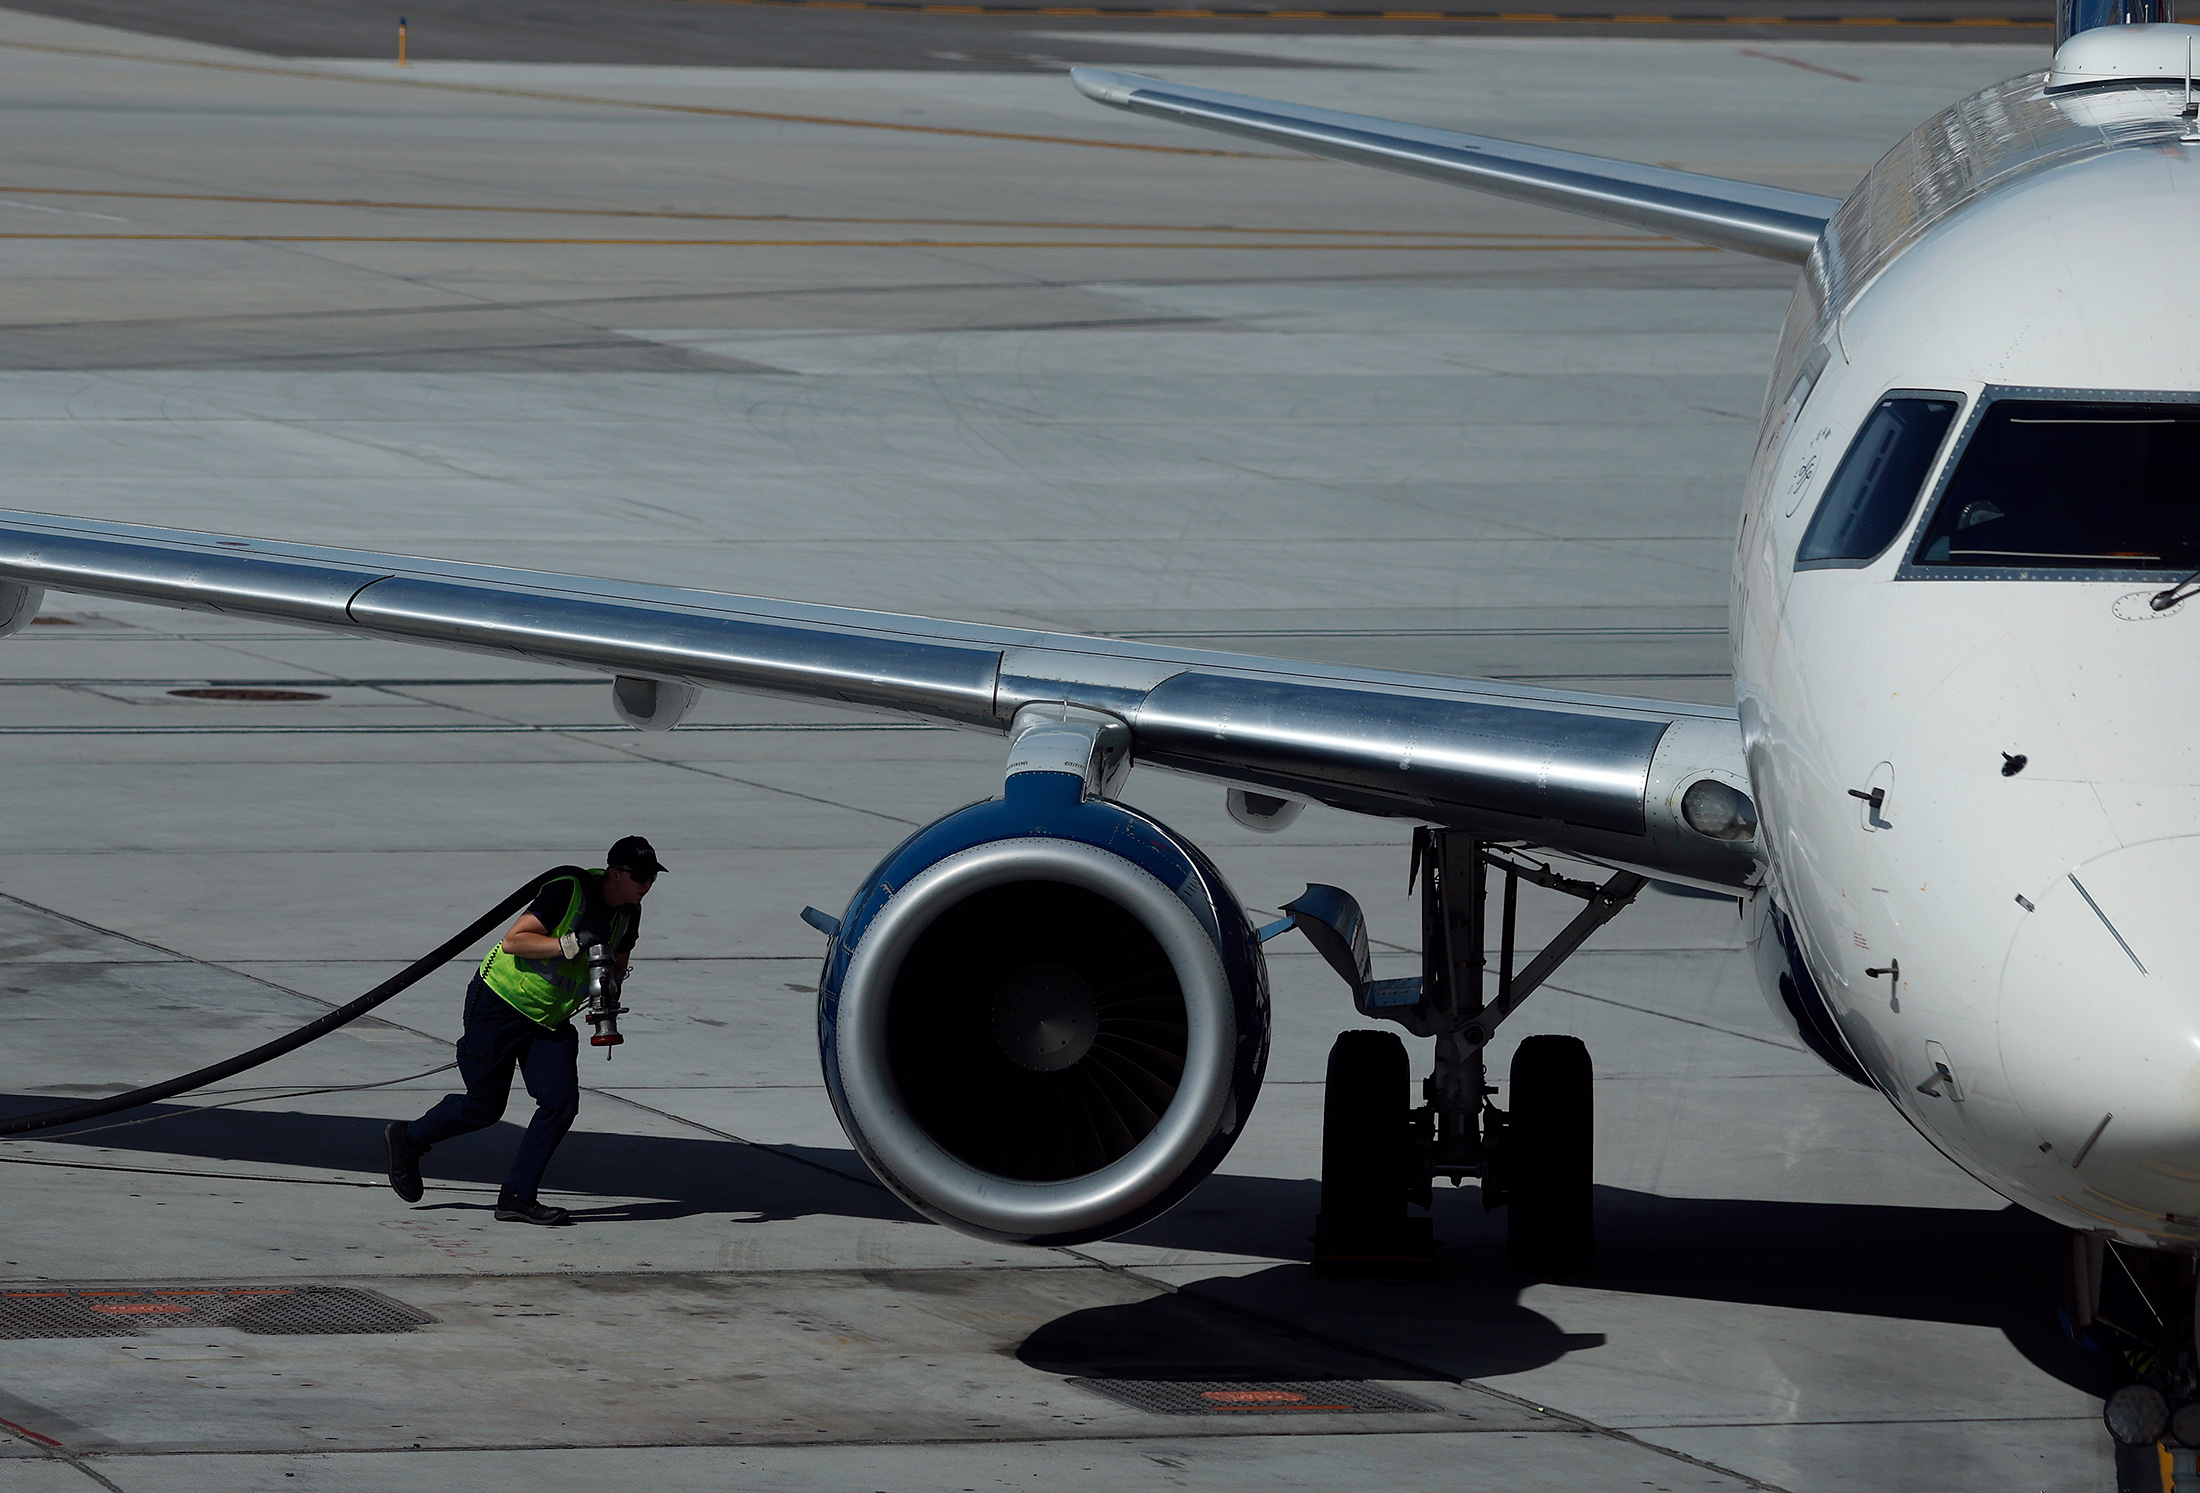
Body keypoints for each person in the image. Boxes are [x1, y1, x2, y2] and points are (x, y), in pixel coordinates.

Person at [384, 836, 665, 1225]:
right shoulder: (569, 890)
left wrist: (608, 995)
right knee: (484, 1107)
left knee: (560, 1102)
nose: (647, 884)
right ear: (615, 873)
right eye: (640, 876)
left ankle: (517, 1196)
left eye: (653, 877)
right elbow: (515, 941)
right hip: (500, 1004)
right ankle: (408, 1138)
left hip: (548, 1020)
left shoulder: (629, 913)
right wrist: (570, 944)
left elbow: (618, 962)